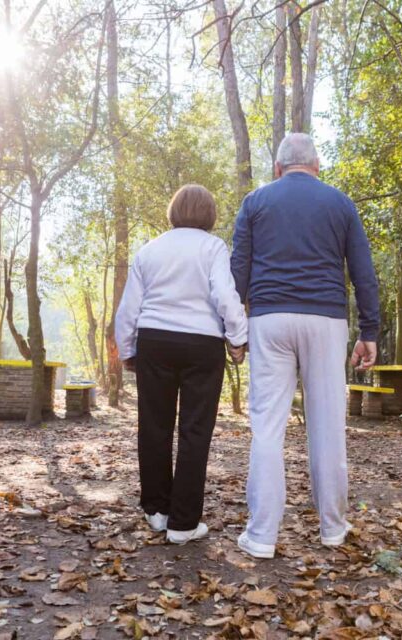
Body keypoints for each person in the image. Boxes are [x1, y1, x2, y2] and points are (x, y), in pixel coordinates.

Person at [231, 133, 380, 559]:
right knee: (328, 426)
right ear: (316, 166)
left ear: (277, 169)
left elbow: (238, 269)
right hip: (326, 319)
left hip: (269, 319)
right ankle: (333, 528)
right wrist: (370, 331)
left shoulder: (255, 202)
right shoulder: (340, 203)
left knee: (267, 428)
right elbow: (364, 272)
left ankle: (261, 535)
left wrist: (235, 331)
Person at [115, 184, 247, 545]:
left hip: (155, 341)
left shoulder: (150, 249)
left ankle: (156, 510)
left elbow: (130, 307)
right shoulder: (213, 247)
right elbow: (225, 293)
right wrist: (237, 338)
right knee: (195, 431)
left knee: (153, 426)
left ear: (173, 211)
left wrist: (128, 349)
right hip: (202, 345)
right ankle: (184, 523)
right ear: (209, 215)